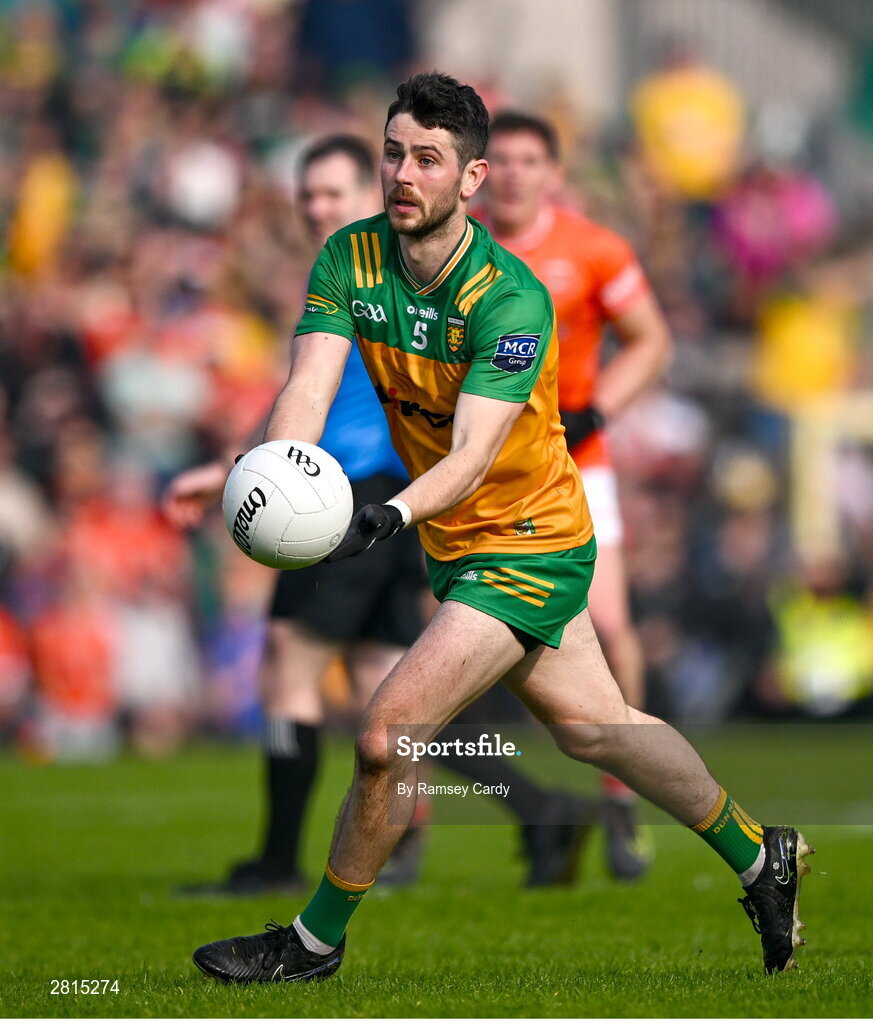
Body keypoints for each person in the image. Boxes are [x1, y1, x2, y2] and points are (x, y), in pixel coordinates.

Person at [192, 73, 813, 983]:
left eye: (428, 159)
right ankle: (765, 857)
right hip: (460, 543)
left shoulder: (511, 298)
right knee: (598, 730)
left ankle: (312, 943)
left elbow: (475, 456)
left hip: (530, 540)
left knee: (386, 734)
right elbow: (308, 387)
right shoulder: (347, 258)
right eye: (393, 153)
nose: (403, 174)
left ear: (471, 178)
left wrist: (390, 514)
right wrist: (280, 478)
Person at [164, 133, 592, 894]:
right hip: (394, 504)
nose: (317, 208)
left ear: (377, 191)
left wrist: (259, 475)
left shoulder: (373, 277)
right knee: (391, 694)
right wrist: (239, 464)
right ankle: (537, 812)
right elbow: (302, 392)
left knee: (287, 671)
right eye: (308, 195)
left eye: (333, 193)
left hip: (350, 500)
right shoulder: (377, 272)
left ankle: (275, 862)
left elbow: (319, 400)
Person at [477, 110, 673, 879]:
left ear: (554, 173)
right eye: (506, 160)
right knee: (439, 642)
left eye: (533, 160)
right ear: (482, 174)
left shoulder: (592, 249)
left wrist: (599, 408)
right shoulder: (459, 250)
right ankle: (415, 820)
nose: (518, 173)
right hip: (482, 468)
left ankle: (620, 792)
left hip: (575, 461)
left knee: (612, 620)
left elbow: (651, 337)